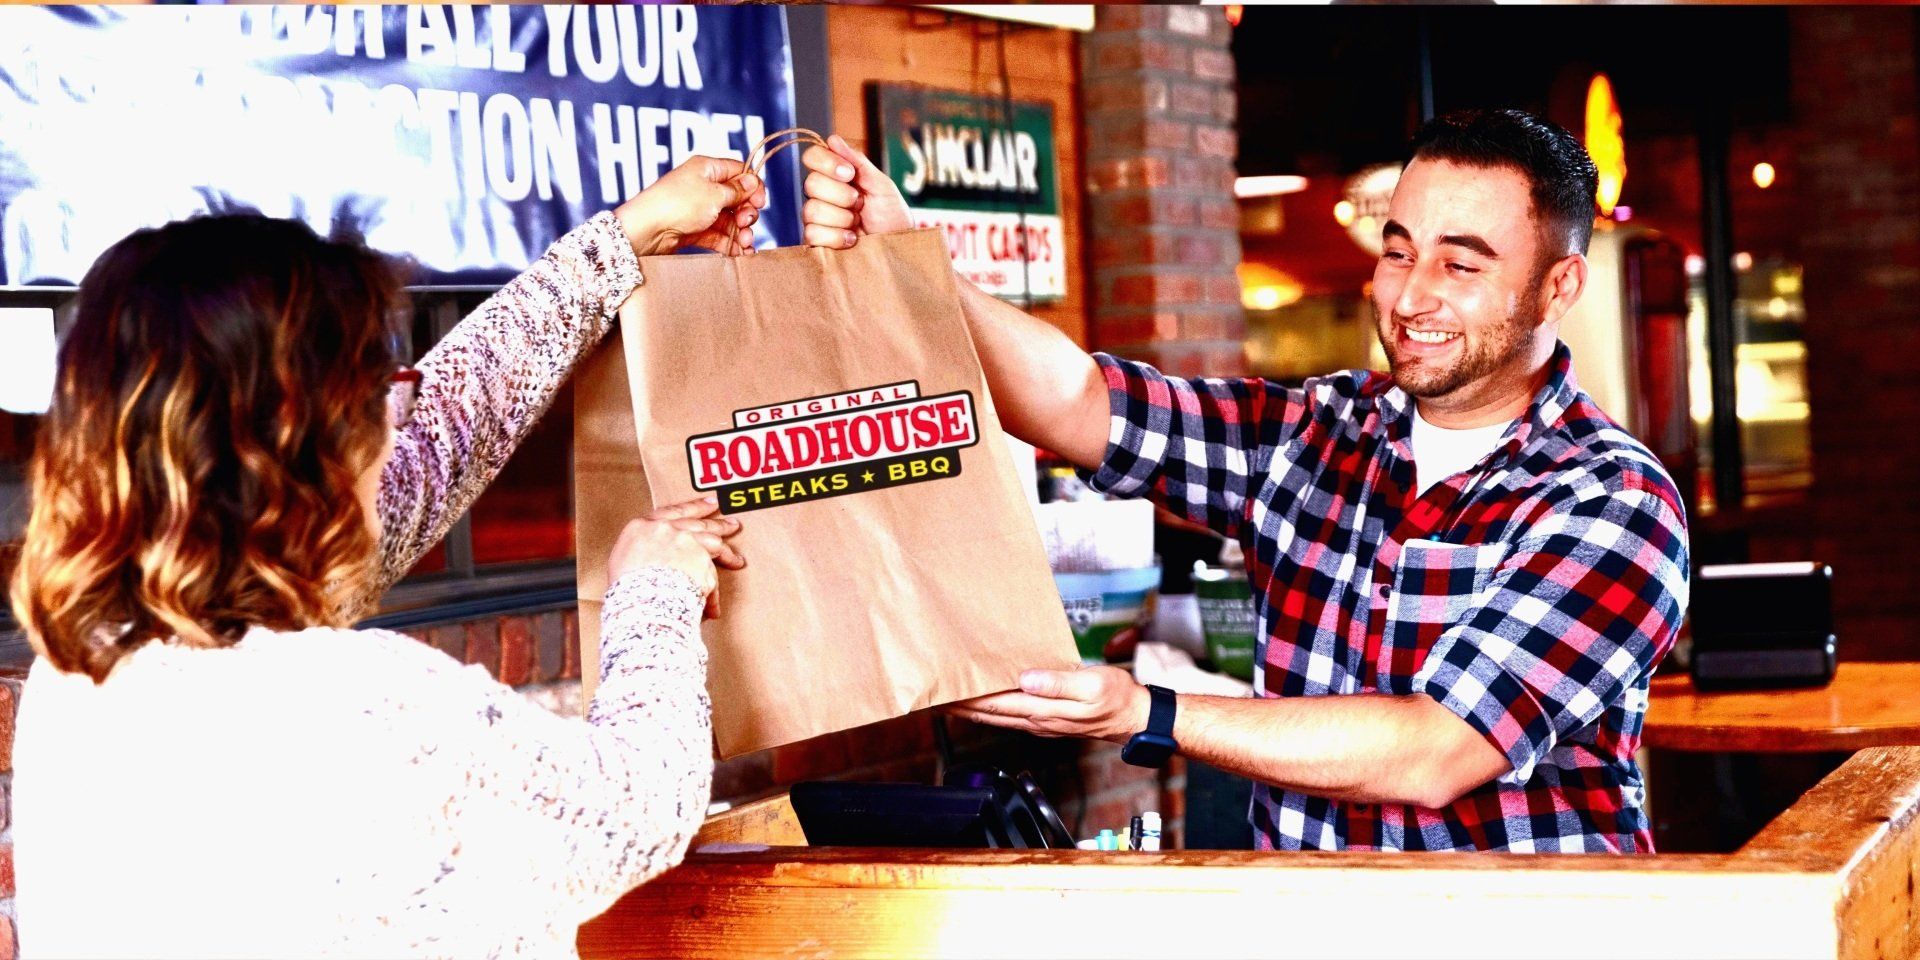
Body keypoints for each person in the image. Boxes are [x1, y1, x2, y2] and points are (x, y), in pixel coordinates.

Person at [798, 109, 1690, 853]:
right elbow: (1078, 401)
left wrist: (1145, 711)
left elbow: (1436, 749)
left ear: (1557, 285)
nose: (1411, 296)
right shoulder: (1320, 432)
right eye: (1397, 251)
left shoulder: (1610, 501)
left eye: (1461, 265)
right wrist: (917, 264)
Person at [11, 157, 765, 957]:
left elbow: (441, 435)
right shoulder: (365, 708)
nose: (392, 431)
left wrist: (623, 239)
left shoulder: (79, 678)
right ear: (308, 446)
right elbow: (634, 811)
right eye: (376, 400)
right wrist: (654, 593)